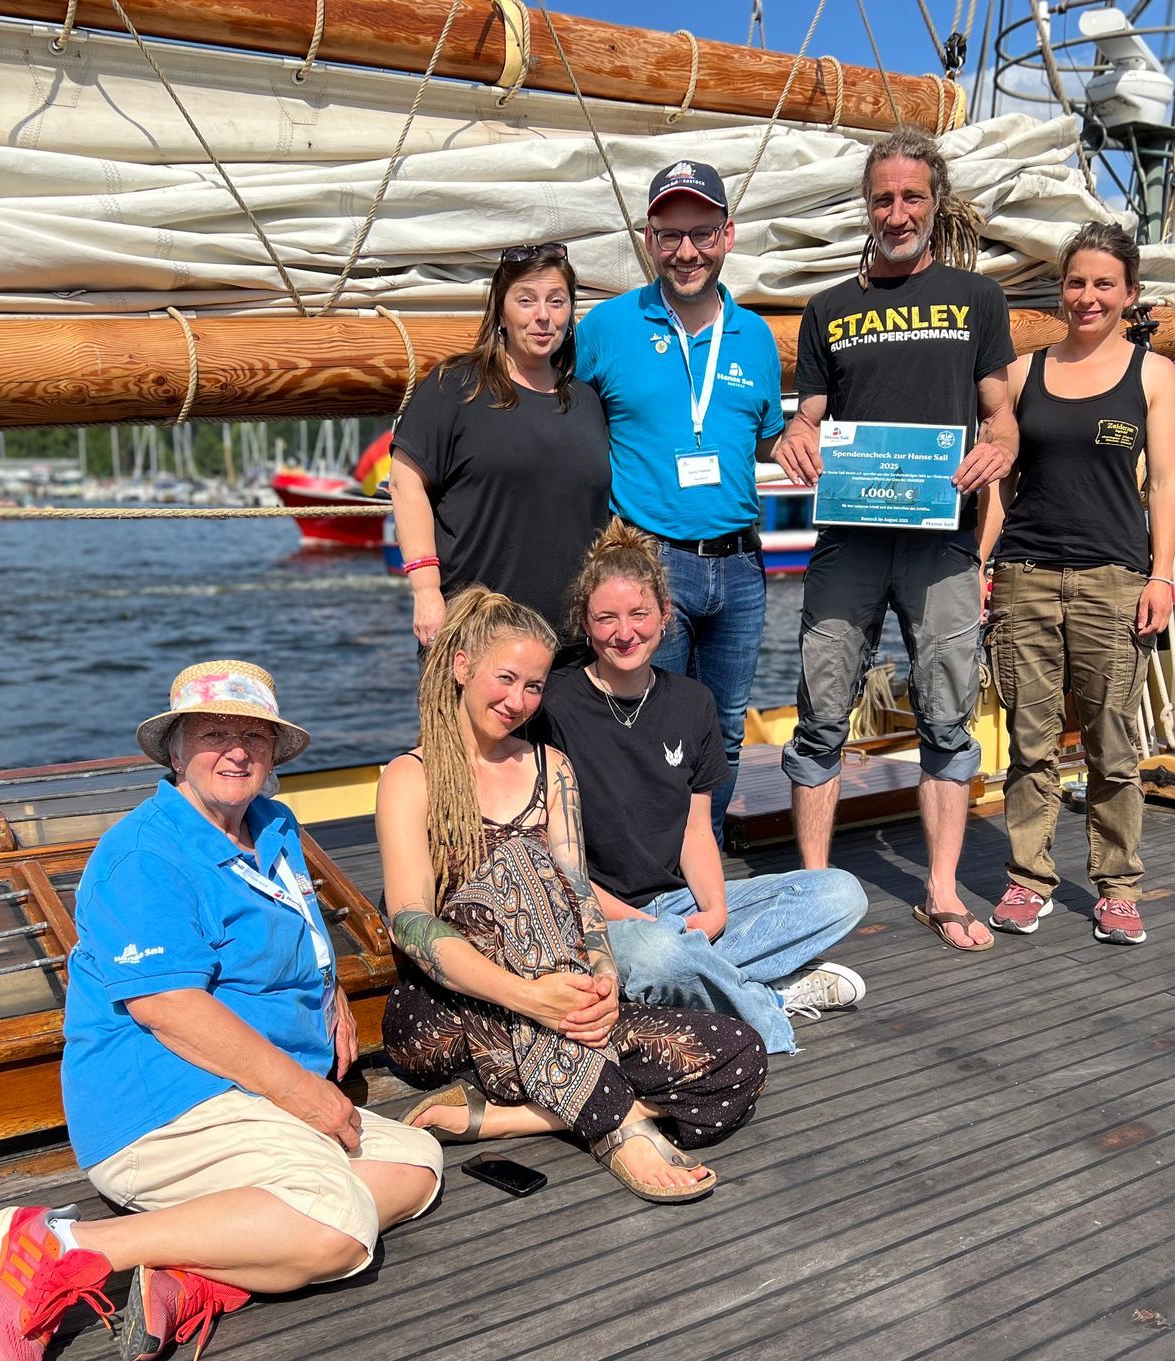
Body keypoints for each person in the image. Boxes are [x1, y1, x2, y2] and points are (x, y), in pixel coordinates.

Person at [0, 662, 442, 1361]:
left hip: (248, 1096)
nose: (236, 751)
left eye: (254, 735)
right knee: (341, 1224)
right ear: (177, 749)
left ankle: (197, 1271)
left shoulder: (273, 825)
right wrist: (302, 1094)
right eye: (215, 733)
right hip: (163, 1103)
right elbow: (169, 1009)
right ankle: (62, 1245)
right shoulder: (143, 855)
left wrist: (334, 992)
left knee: (416, 1164)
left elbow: (304, 932)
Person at [376, 588, 768, 1203]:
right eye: (506, 679)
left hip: (564, 994)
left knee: (739, 1053)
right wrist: (533, 999)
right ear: (461, 667)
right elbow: (409, 920)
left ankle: (508, 1116)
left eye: (534, 687)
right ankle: (622, 1127)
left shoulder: (550, 766)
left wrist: (603, 977)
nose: (519, 702)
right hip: (465, 1010)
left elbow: (580, 894)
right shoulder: (412, 776)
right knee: (513, 867)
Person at [772, 126, 1018, 952]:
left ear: (935, 202)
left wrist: (1004, 443)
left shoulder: (978, 300)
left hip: (940, 539)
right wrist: (791, 438)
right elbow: (807, 415)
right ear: (866, 205)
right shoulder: (828, 310)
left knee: (948, 719)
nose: (898, 210)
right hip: (849, 539)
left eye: (913, 195)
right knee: (820, 718)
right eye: (884, 196)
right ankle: (812, 895)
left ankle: (942, 891)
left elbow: (999, 411)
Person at [533, 520, 871, 1053]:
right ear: (584, 623)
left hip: (679, 903)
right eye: (606, 618)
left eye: (640, 614)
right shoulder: (554, 707)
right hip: (598, 913)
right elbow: (556, 862)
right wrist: (645, 924)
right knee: (656, 956)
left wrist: (712, 911)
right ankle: (767, 1004)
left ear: (666, 616)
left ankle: (687, 985)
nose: (625, 632)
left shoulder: (692, 703)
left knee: (841, 893)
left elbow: (695, 829)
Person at [985, 222, 1175, 946]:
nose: (1088, 296)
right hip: (1027, 575)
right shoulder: (1021, 373)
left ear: (1129, 294)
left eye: (1105, 284)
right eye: (1076, 282)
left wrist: (1160, 575)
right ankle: (1027, 878)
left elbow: (1164, 485)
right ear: (1061, 290)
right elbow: (998, 485)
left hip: (1114, 579)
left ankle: (1117, 885)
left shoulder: (1152, 374)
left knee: (1112, 745)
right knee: (1030, 742)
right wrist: (985, 562)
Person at [576, 160, 786, 839]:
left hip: (741, 568)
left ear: (728, 235)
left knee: (723, 732)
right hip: (649, 562)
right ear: (648, 238)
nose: (686, 251)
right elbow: (558, 426)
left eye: (701, 233)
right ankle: (649, 880)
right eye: (670, 236)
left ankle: (707, 868)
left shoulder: (754, 336)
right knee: (645, 731)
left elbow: (771, 436)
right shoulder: (604, 328)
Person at [390, 243, 610, 658]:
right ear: (501, 312)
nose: (542, 315)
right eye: (526, 300)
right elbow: (405, 483)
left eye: (556, 301)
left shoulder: (586, 401)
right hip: (475, 638)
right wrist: (425, 591)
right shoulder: (456, 386)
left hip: (572, 646)